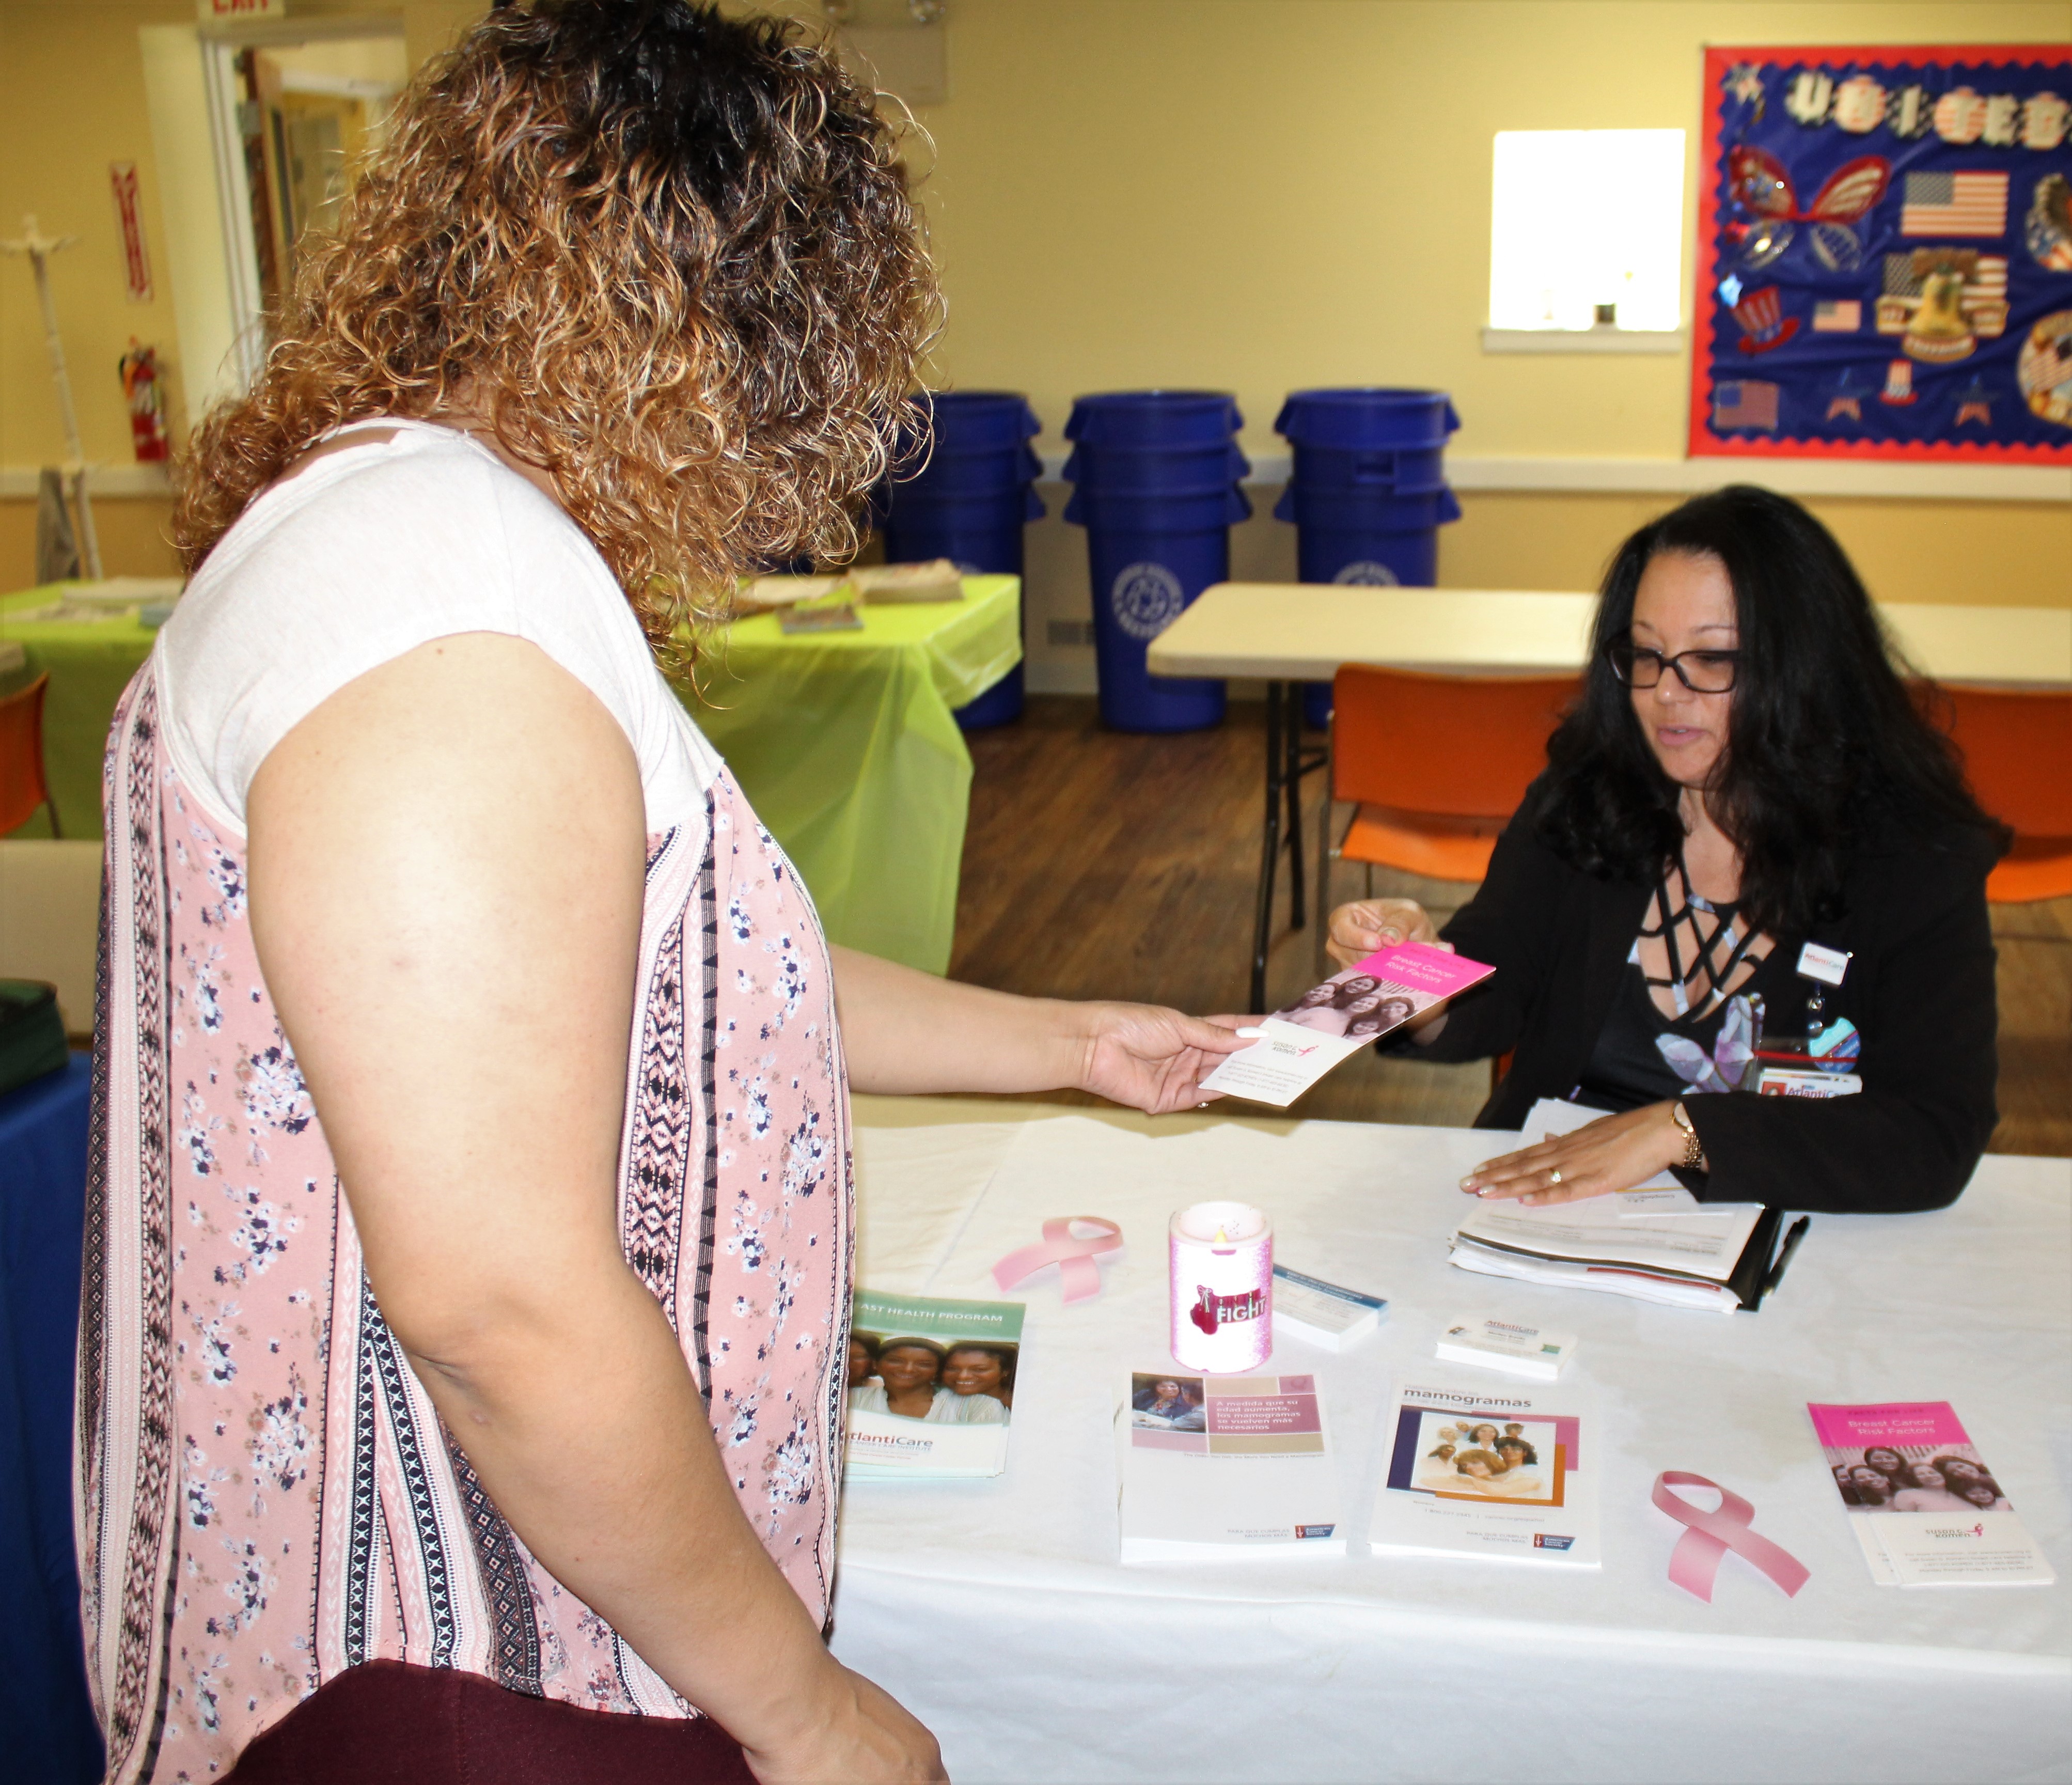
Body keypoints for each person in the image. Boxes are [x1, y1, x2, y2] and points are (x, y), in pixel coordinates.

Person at [76, 8, 1248, 1782]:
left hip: (444, 1619)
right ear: (744, 340)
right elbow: (500, 1301)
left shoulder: (421, 545)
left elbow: (653, 990)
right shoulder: (444, 614)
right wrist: (805, 1708)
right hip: (468, 1660)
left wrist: (1078, 1039)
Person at [1325, 486, 2006, 1214]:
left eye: (1711, 659)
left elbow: (1934, 1134)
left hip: (1794, 1232)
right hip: (1556, 1213)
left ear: (1803, 666)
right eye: (1646, 654)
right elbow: (1498, 980)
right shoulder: (1589, 798)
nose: (1664, 694)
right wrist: (1413, 977)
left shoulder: (1909, 858)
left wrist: (1682, 1130)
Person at [850, 1340, 1002, 1424]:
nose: (908, 1370)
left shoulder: (980, 1406)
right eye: (896, 1361)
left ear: (938, 1371)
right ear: (876, 1364)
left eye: (924, 1364)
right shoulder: (854, 1398)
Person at [940, 1342, 1016, 1416]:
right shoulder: (939, 1398)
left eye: (979, 1369)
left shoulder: (1023, 1403)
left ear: (1005, 1371)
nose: (963, 1376)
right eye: (952, 1368)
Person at [1891, 1461, 1975, 1514]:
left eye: (1932, 1472)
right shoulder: (1907, 1495)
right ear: (1915, 1480)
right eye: (1921, 1475)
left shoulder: (1959, 1493)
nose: (1929, 1476)